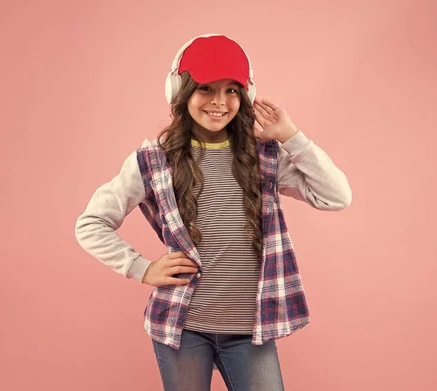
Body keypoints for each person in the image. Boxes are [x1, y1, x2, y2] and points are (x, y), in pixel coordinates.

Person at [75, 34, 352, 391]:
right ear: (181, 90)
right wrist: (141, 268)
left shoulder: (264, 156)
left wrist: (292, 137)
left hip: (249, 330)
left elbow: (336, 196)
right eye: (206, 88)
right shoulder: (154, 161)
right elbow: (91, 223)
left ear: (245, 95)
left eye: (231, 90)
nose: (219, 102)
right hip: (183, 327)